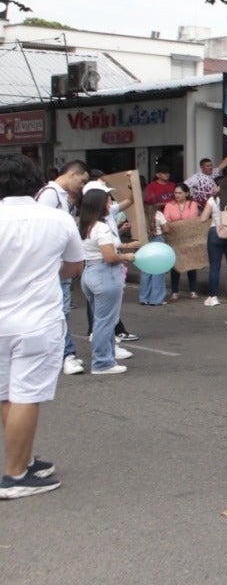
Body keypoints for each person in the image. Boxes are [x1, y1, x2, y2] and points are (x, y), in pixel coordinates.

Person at [0, 154, 85, 499]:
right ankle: (15, 475)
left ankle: (23, 460)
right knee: (26, 395)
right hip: (37, 320)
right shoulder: (57, 219)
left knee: (7, 394)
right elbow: (75, 265)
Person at [76, 188, 137, 375]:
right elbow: (110, 256)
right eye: (108, 201)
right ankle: (102, 362)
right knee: (105, 321)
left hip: (89, 271)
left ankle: (106, 358)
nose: (110, 204)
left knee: (101, 320)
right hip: (104, 273)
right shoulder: (101, 227)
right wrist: (126, 256)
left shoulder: (83, 224)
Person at [37, 160, 89, 375]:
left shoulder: (59, 195)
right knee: (60, 311)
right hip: (55, 264)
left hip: (59, 263)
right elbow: (42, 229)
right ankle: (66, 354)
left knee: (61, 310)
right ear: (72, 174)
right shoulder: (50, 194)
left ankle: (62, 353)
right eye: (82, 180)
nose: (82, 186)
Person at [200, 178, 227, 305]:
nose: (213, 188)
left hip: (216, 233)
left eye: (214, 186)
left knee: (215, 267)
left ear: (219, 186)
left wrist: (214, 217)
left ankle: (213, 297)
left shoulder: (213, 200)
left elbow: (203, 218)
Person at [162, 183, 203, 299]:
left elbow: (193, 219)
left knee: (191, 264)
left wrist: (178, 224)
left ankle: (193, 290)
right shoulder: (169, 205)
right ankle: (175, 291)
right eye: (175, 193)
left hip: (189, 237)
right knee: (175, 264)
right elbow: (166, 219)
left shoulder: (193, 204)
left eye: (180, 193)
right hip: (174, 238)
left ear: (187, 193)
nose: (177, 195)